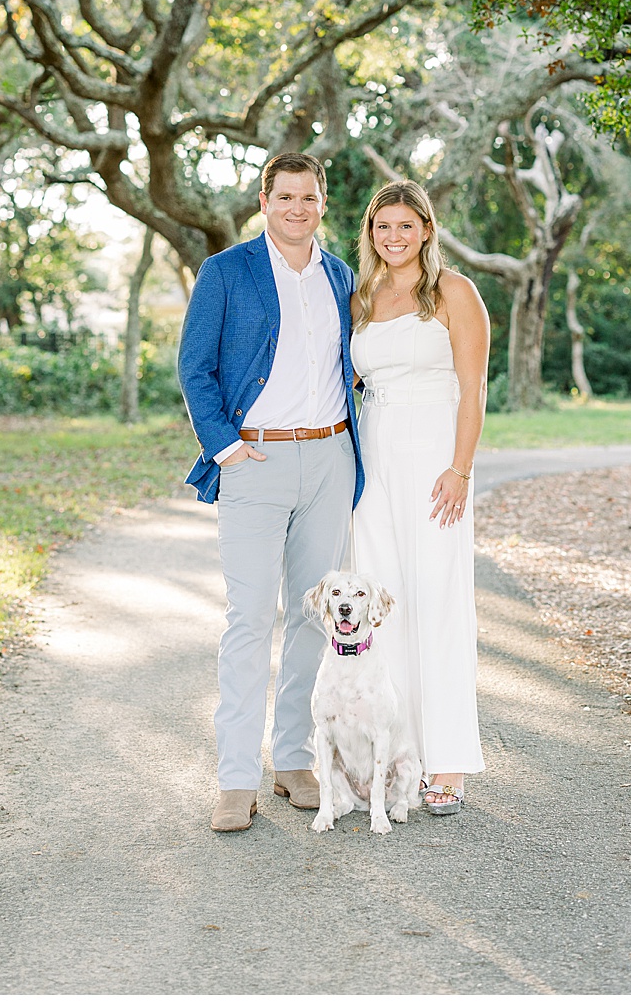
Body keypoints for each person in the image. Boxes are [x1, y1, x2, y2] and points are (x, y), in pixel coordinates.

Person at [177, 152, 364, 833]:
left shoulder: (341, 276)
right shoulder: (226, 271)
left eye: (308, 197)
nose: (297, 208)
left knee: (316, 616)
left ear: (322, 203)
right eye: (284, 197)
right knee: (251, 617)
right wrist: (226, 447)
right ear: (264, 202)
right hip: (254, 460)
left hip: (330, 456)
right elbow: (194, 366)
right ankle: (235, 778)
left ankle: (293, 761)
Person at [348, 180, 489, 813]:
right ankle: (393, 754)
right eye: (383, 227)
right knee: (383, 604)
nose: (394, 237)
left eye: (406, 225)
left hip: (435, 458)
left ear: (427, 229)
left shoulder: (454, 292)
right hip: (374, 460)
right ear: (370, 234)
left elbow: (473, 388)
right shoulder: (362, 297)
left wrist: (460, 469)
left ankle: (448, 760)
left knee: (438, 599)